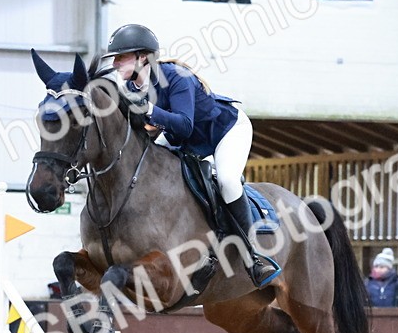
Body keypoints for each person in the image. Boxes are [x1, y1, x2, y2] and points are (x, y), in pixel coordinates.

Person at [104, 23, 280, 288]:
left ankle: (253, 254)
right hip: (183, 139)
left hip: (223, 133)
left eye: (121, 56)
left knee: (228, 181)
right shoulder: (131, 88)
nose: (115, 63)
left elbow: (185, 123)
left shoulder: (177, 77)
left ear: (142, 57)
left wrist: (149, 108)